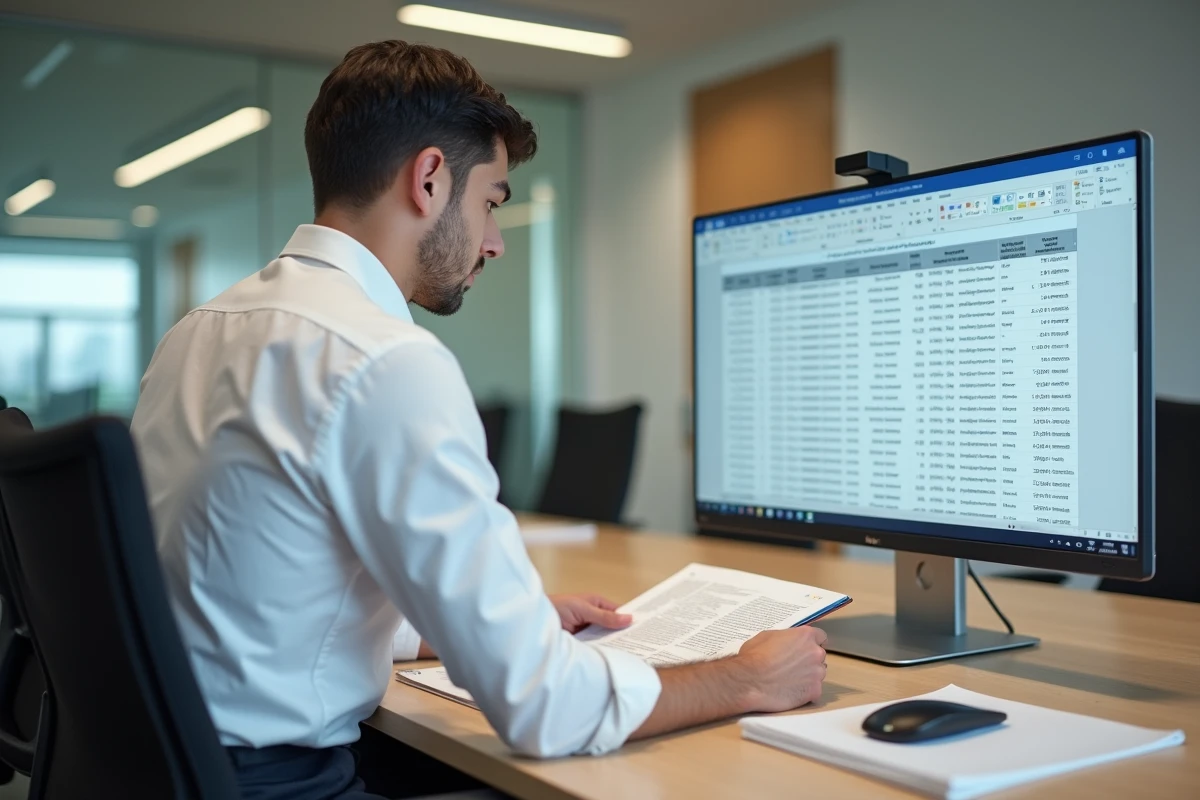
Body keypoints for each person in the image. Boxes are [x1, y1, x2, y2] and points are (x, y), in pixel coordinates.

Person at [130, 40, 828, 800]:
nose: (495, 240)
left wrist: (485, 623)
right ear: (429, 180)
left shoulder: (198, 330)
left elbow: (256, 600)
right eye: (492, 201)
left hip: (165, 766)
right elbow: (544, 709)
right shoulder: (383, 359)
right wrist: (745, 678)